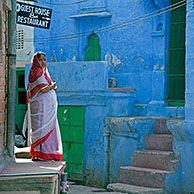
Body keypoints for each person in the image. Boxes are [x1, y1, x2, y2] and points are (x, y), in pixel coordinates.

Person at [27, 51, 63, 161]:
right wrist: (52, 86)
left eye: (44, 60)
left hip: (47, 106)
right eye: (40, 60)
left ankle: (44, 153)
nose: (43, 62)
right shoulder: (36, 72)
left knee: (46, 128)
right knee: (40, 128)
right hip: (40, 106)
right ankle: (37, 153)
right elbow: (43, 89)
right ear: (36, 61)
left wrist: (51, 86)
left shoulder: (43, 73)